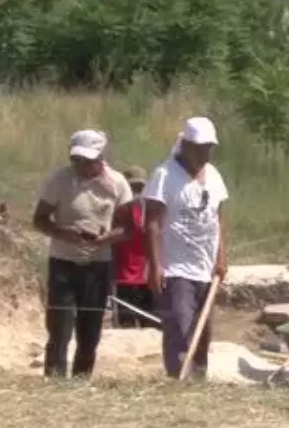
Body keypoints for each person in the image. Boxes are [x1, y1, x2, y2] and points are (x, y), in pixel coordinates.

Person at [32, 129, 134, 378]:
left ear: (101, 157)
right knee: (59, 328)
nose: (81, 165)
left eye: (88, 160)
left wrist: (105, 238)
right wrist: (63, 232)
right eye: (76, 160)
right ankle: (54, 379)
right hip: (63, 262)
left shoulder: (117, 183)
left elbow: (128, 228)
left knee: (90, 330)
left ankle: (82, 379)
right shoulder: (60, 180)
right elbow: (40, 219)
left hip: (98, 265)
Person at [145, 117, 229, 380]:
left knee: (202, 329)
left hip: (205, 265)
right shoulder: (165, 175)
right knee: (180, 328)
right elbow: (152, 222)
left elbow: (218, 218)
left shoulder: (213, 175)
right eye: (199, 148)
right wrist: (156, 265)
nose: (204, 153)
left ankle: (198, 379)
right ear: (186, 145)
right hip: (175, 266)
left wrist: (221, 257)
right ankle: (178, 378)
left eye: (208, 148)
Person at [113, 165, 156, 328]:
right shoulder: (117, 212)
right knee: (126, 328)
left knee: (152, 328)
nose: (136, 191)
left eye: (140, 187)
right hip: (124, 279)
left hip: (148, 279)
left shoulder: (153, 211)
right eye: (132, 187)